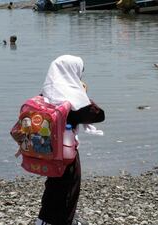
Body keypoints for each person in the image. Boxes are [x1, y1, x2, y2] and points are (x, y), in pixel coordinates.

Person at [36, 55, 105, 225]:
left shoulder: (47, 92)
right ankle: (58, 220)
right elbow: (98, 115)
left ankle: (44, 219)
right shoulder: (71, 98)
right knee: (68, 185)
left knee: (53, 182)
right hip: (65, 150)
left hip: (47, 148)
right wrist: (82, 93)